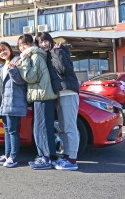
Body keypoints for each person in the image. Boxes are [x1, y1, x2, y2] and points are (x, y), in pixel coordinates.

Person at [36, 32, 80, 171]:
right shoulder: (48, 55)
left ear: (50, 41)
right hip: (60, 93)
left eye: (45, 41)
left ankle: (72, 160)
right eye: (40, 42)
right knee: (63, 127)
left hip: (68, 92)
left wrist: (57, 51)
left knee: (69, 127)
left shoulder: (58, 50)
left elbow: (62, 68)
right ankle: (67, 156)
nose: (44, 44)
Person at [17, 34, 58, 170]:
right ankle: (46, 156)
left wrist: (22, 63)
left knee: (41, 128)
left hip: (42, 96)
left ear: (30, 45)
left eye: (25, 44)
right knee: (43, 127)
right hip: (42, 95)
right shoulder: (37, 55)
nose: (22, 48)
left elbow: (30, 77)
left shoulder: (35, 56)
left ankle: (45, 158)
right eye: (20, 46)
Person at [0, 41, 27, 168]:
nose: (2, 53)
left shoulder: (17, 61)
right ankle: (7, 155)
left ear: (9, 49)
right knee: (7, 131)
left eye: (4, 49)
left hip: (15, 101)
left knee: (12, 131)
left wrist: (13, 70)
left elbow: (22, 81)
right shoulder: (1, 67)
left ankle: (13, 157)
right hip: (4, 102)